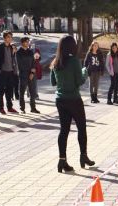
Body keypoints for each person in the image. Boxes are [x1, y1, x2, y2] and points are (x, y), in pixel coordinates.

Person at [50, 35, 94, 172]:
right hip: (74, 99)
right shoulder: (74, 61)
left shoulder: (56, 62)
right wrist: (85, 71)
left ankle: (62, 160)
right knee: (81, 128)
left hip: (60, 100)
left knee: (64, 130)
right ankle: (83, 156)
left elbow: (53, 82)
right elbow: (79, 81)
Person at [0, 31, 18, 114]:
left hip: (11, 71)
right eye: (8, 37)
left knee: (9, 90)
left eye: (11, 37)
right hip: (3, 72)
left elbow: (13, 59)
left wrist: (14, 52)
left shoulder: (12, 47)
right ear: (4, 38)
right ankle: (1, 108)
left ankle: (10, 107)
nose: (10, 38)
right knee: (1, 91)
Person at [17, 37, 39, 114]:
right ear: (22, 43)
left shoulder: (30, 51)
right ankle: (22, 108)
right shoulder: (19, 52)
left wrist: (32, 73)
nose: (28, 43)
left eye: (28, 42)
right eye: (26, 42)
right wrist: (26, 73)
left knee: (32, 92)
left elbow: (33, 63)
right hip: (23, 74)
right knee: (22, 92)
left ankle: (33, 108)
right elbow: (19, 65)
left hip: (31, 75)